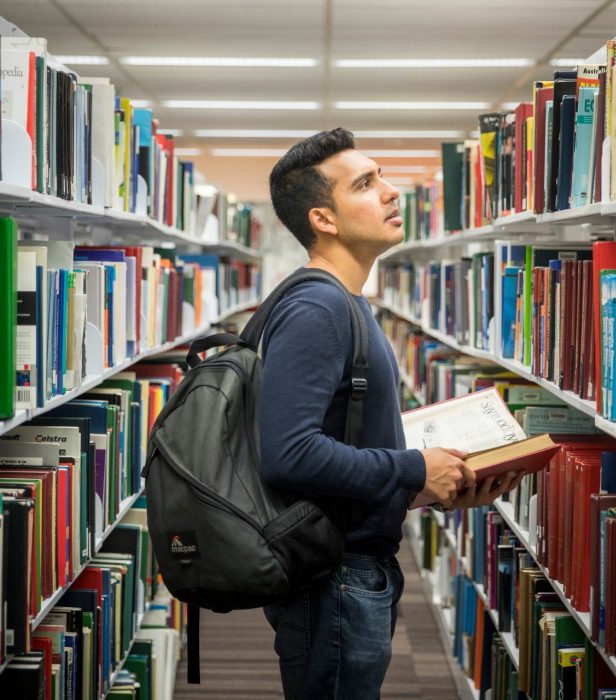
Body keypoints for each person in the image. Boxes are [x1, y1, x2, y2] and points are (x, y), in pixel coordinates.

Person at [259, 127, 523, 699]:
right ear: (323, 219)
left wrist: (428, 485)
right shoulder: (317, 309)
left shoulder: (347, 303)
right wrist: (410, 469)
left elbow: (340, 444)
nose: (390, 191)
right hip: (333, 580)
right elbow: (288, 453)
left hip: (352, 571)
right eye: (365, 183)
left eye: (381, 176)